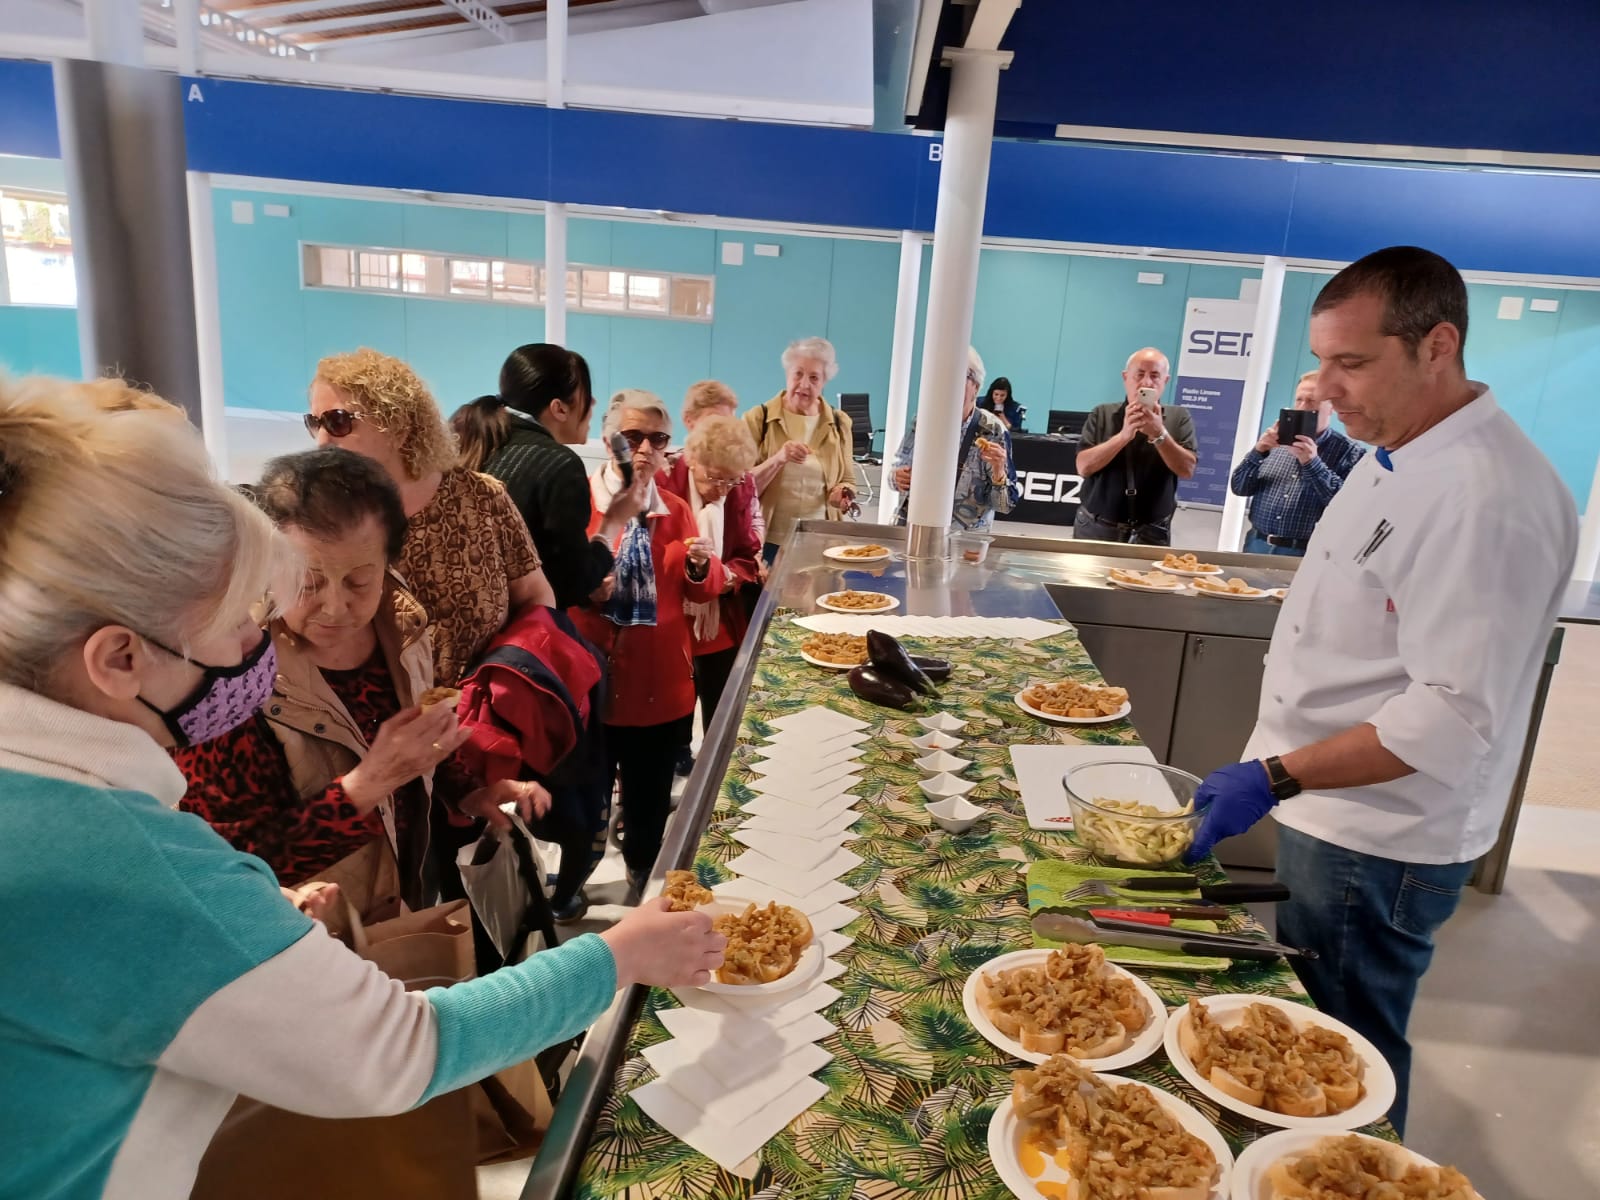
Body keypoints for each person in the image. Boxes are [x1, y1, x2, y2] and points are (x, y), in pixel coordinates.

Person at [0, 375, 724, 1200]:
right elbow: (398, 1050)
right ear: (120, 659)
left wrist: (462, 786)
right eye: (239, 618)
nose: (257, 639)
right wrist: (619, 954)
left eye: (360, 580)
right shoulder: (125, 865)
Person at [1184, 247, 1578, 1136]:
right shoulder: (1397, 446)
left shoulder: (1487, 497)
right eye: (1322, 360)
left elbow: (1445, 714)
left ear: (1438, 345)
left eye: (1351, 363)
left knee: (1344, 1058)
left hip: (1379, 838)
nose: (1324, 387)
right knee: (1306, 1043)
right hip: (1332, 810)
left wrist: (1275, 776)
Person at [170, 449, 548, 911]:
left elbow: (414, 742)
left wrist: (471, 792)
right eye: (308, 583)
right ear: (269, 566)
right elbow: (222, 865)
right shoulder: (233, 674)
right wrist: (365, 786)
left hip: (404, 902)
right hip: (309, 941)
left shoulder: (403, 627)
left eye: (358, 582)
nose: (335, 607)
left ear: (388, 565)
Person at [306, 348, 556, 688]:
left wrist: (510, 678)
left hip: (487, 719)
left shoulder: (481, 497)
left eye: (338, 421)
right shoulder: (322, 519)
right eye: (314, 423)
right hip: (384, 730)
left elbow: (536, 598)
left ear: (396, 425)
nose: (322, 441)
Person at [571, 391, 726, 902]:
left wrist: (702, 566)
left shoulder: (676, 508)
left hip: (660, 683)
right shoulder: (580, 503)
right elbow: (551, 583)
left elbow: (697, 586)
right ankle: (570, 881)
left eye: (656, 440)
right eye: (631, 437)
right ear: (607, 438)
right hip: (590, 680)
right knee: (579, 799)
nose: (643, 449)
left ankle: (641, 876)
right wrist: (587, 587)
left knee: (648, 800)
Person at [452, 344, 648, 610]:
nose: (593, 403)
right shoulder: (559, 465)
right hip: (514, 635)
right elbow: (573, 583)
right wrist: (613, 522)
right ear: (559, 409)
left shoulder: (476, 441)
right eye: (586, 395)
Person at [657, 413, 763, 752]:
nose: (722, 489)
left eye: (730, 481)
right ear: (693, 460)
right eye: (715, 478)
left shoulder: (740, 485)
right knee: (672, 711)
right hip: (671, 615)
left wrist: (727, 575)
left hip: (720, 617)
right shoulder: (664, 482)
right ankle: (677, 760)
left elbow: (748, 552)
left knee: (720, 708)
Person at [744, 337, 857, 562]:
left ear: (825, 381)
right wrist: (779, 458)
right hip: (767, 540)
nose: (804, 384)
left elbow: (847, 479)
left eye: (814, 377)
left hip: (821, 541)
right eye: (798, 374)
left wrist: (842, 494)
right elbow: (741, 487)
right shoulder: (757, 418)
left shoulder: (839, 422)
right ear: (787, 373)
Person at [1229, 370, 1366, 556]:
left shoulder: (1350, 452)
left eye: (1311, 401)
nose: (1302, 408)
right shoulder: (1275, 441)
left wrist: (1312, 463)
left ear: (1331, 406)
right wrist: (1258, 451)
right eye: (1299, 400)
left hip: (1305, 552)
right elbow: (1239, 487)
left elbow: (1345, 505)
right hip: (1257, 544)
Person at [1072, 347, 1198, 545]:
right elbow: (1083, 467)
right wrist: (1123, 436)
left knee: (1148, 577)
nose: (1146, 382)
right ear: (1126, 377)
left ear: (1165, 381)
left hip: (1152, 532)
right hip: (1096, 528)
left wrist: (1159, 434)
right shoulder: (1102, 413)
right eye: (1139, 374)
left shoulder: (1179, 418)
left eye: (1155, 376)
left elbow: (1187, 469)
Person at [891, 346, 1020, 531]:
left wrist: (999, 472)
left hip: (964, 542)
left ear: (975, 386)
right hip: (917, 530)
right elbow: (895, 474)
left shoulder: (993, 430)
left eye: (959, 378)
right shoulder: (923, 420)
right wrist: (897, 477)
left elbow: (1005, 506)